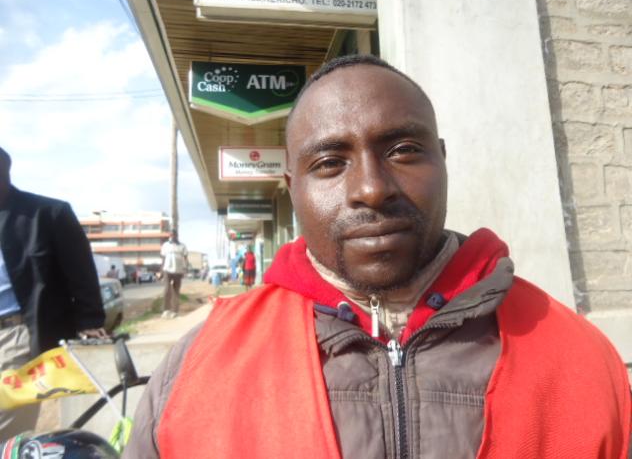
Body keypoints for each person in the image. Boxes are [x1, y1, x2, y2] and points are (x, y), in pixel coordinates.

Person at [124, 56, 631, 458]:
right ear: (292, 188)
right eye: (329, 162)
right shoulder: (196, 368)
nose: (370, 188)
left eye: (403, 150)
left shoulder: (579, 356)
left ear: (442, 159)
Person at [0, 147, 106, 440]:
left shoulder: (48, 214)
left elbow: (80, 271)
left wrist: (90, 320)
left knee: (6, 428)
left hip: (15, 337)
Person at [160, 230, 187, 319]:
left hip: (178, 271)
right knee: (167, 290)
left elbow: (185, 259)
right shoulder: (165, 245)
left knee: (176, 291)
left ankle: (175, 311)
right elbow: (163, 258)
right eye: (171, 235)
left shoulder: (182, 246)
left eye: (174, 235)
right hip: (167, 270)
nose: (172, 236)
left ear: (177, 235)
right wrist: (161, 271)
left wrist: (185, 269)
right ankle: (166, 310)